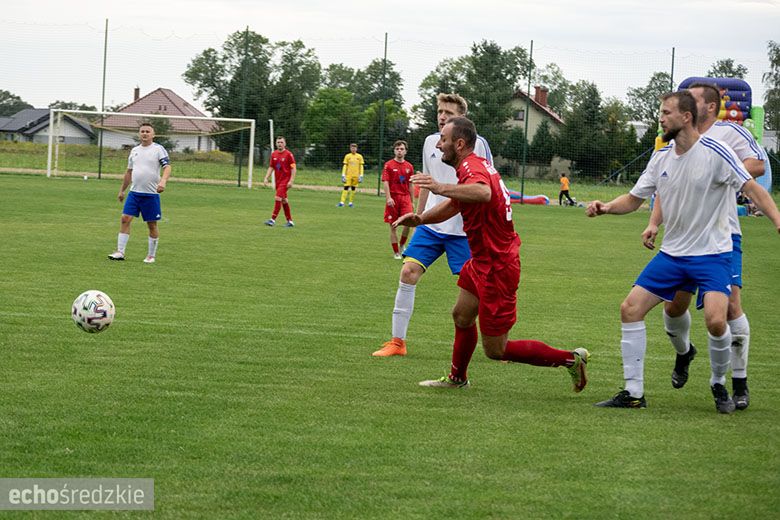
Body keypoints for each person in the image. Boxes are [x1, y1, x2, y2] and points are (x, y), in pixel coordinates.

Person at [587, 91, 780, 413]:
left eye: (665, 113)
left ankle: (719, 383)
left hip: (713, 254)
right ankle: (633, 392)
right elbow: (634, 198)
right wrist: (605, 207)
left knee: (717, 322)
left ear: (686, 117)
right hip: (672, 255)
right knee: (630, 309)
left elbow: (752, 188)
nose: (660, 118)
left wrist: (777, 220)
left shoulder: (717, 152)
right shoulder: (661, 157)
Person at [394, 116, 590, 391]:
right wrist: (422, 219)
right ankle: (457, 378)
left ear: (459, 144)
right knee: (462, 316)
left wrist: (438, 186)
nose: (438, 145)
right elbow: (458, 202)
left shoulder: (473, 169)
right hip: (482, 261)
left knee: (496, 350)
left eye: (444, 140)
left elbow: (483, 192)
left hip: (498, 267)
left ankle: (571, 360)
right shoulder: (470, 166)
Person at [642, 82, 766, 410]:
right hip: (683, 240)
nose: (685, 104)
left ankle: (737, 381)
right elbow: (667, 184)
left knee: (728, 309)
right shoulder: (674, 145)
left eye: (692, 99)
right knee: (673, 308)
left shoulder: (728, 135)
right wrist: (655, 222)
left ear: (708, 107)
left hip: (723, 235)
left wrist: (720, 164)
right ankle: (684, 354)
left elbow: (758, 166)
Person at [372, 93, 492, 357]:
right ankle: (397, 342)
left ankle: (497, 343)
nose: (441, 116)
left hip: (463, 230)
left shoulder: (478, 145)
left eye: (448, 112)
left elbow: (486, 187)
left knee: (477, 288)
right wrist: (417, 217)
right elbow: (426, 182)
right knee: (407, 273)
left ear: (462, 118)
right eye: (439, 111)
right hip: (431, 225)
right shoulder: (429, 143)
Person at [108, 122, 171, 264]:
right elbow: (129, 172)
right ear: (139, 134)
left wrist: (163, 181)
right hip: (134, 193)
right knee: (125, 219)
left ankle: (151, 255)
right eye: (142, 131)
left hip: (151, 195)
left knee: (151, 224)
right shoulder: (134, 151)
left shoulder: (158, 149)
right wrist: (122, 190)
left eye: (148, 131)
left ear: (153, 134)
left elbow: (167, 167)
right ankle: (120, 252)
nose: (144, 133)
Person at [382, 140, 415, 259]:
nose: (399, 151)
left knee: (409, 222)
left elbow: (410, 185)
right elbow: (386, 182)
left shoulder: (409, 167)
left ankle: (402, 245)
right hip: (393, 198)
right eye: (397, 149)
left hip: (405, 198)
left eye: (401, 149)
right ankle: (396, 252)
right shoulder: (388, 165)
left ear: (405, 151)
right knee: (393, 226)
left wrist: (412, 201)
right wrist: (388, 198)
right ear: (394, 150)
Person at [263, 136, 296, 227]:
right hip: (278, 181)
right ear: (276, 143)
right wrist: (266, 177)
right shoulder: (274, 154)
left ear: (285, 144)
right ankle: (290, 221)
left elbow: (293, 168)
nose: (280, 144)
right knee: (284, 200)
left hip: (285, 181)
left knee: (278, 198)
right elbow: (271, 167)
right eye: (278, 142)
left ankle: (272, 220)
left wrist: (291, 180)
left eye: (281, 142)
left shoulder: (289, 154)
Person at [338, 143, 364, 207]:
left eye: (354, 148)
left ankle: (350, 203)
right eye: (352, 148)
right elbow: (345, 165)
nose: (353, 149)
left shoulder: (359, 156)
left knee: (353, 188)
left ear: (356, 149)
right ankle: (342, 202)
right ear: (350, 148)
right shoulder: (347, 156)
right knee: (346, 187)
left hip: (356, 175)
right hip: (348, 175)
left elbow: (361, 166)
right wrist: (343, 175)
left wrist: (361, 175)